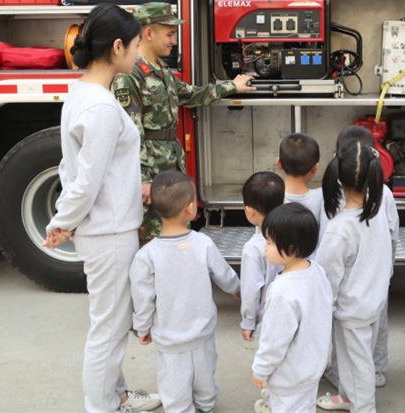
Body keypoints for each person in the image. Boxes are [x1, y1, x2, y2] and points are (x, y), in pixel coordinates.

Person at [43, 3, 160, 413]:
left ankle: (118, 396)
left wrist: (69, 218)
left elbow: (70, 167)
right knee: (108, 331)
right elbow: (87, 181)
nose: (137, 51)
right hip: (109, 233)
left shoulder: (82, 94)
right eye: (133, 45)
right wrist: (63, 222)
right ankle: (103, 406)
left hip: (104, 226)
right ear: (116, 47)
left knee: (109, 325)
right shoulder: (103, 108)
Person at [111, 2, 255, 240]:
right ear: (148, 33)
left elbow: (190, 94)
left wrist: (232, 85)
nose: (173, 40)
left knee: (173, 234)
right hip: (152, 173)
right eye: (169, 33)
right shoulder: (131, 75)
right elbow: (131, 134)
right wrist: (144, 180)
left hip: (169, 166)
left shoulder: (161, 69)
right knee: (152, 238)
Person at [129, 171, 241, 413]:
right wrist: (237, 290)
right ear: (191, 208)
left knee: (174, 387)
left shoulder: (146, 256)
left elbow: (143, 298)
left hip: (170, 339)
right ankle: (205, 407)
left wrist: (142, 327)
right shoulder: (203, 243)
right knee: (205, 380)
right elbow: (224, 274)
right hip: (202, 333)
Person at [315, 141, 392, 413]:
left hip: (351, 309)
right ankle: (349, 396)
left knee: (357, 362)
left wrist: (324, 310)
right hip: (372, 300)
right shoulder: (376, 211)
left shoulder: (339, 229)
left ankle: (364, 406)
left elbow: (327, 279)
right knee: (352, 359)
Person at [251, 203, 333, 413]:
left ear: (290, 250)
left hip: (289, 376)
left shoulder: (282, 291)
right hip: (311, 367)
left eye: (269, 241)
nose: (264, 246)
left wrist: (260, 370)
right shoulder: (316, 270)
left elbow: (274, 340)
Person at [240, 172, 285, 342]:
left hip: (269, 319)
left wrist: (248, 321)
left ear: (249, 211)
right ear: (283, 203)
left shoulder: (252, 248)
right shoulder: (294, 233)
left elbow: (251, 289)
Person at [278, 133, 327, 255]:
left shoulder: (272, 198)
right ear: (315, 168)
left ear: (279, 164)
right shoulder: (323, 197)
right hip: (313, 270)